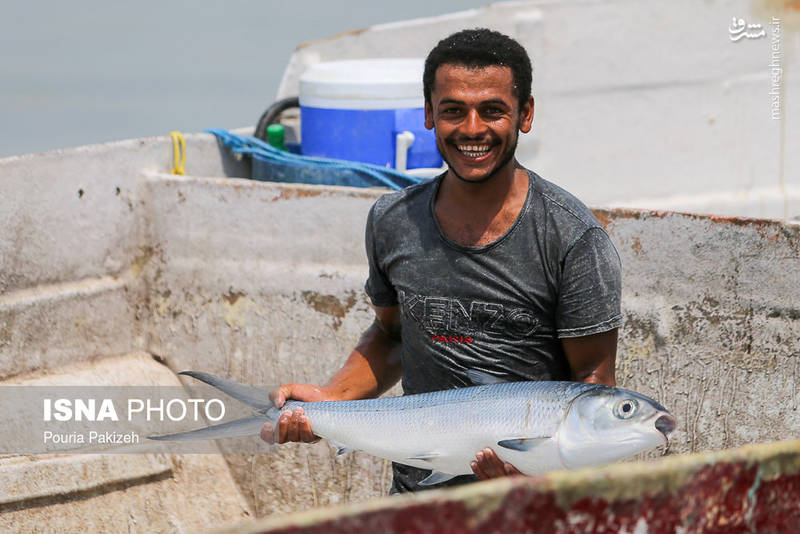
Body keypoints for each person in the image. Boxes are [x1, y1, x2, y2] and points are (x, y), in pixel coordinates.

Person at [263, 28, 622, 493]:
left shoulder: (572, 237)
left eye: (492, 110)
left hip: (530, 506)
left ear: (525, 114)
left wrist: (537, 474)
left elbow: (593, 384)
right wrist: (331, 399)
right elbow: (392, 337)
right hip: (415, 502)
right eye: (453, 110)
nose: (473, 129)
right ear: (429, 115)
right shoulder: (392, 220)